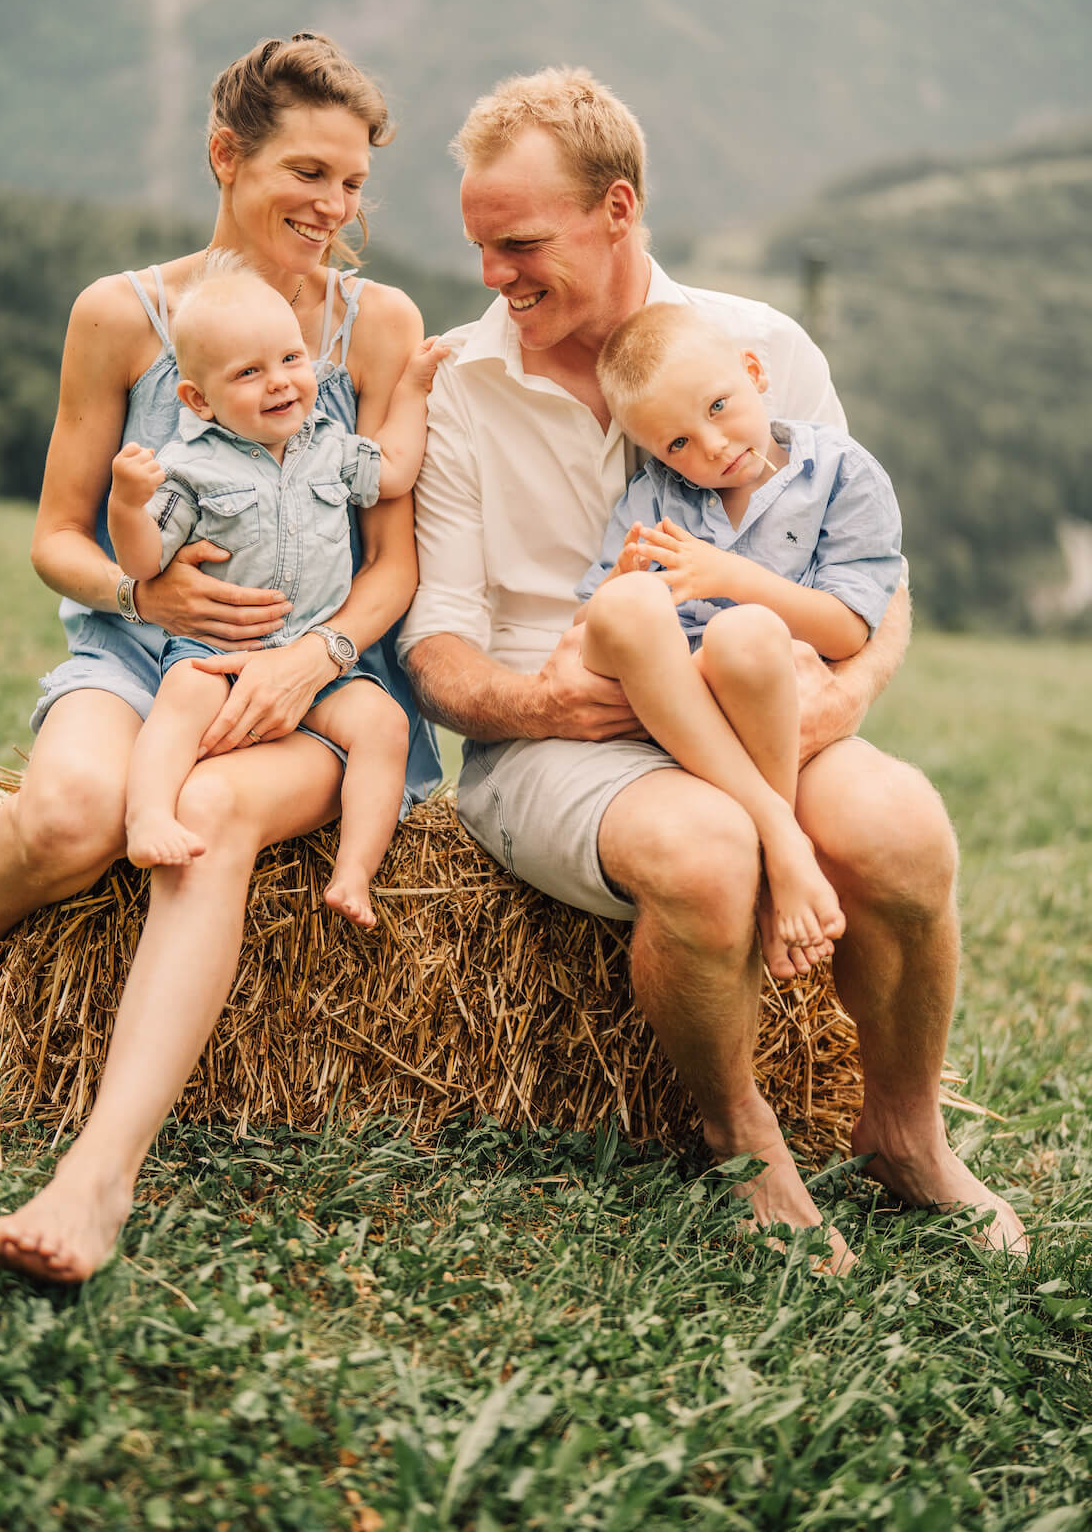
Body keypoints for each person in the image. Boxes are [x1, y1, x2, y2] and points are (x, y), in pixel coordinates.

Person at [400, 65, 1027, 1272]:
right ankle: (747, 1143)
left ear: (618, 208)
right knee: (705, 852)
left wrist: (846, 695)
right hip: (563, 740)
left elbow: (869, 570)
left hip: (757, 697)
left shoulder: (763, 348)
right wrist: (539, 702)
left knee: (902, 829)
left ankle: (904, 1132)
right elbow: (436, 645)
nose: (493, 276)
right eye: (478, 246)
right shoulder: (462, 387)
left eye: (521, 243)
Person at [0, 32, 441, 1282]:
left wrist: (321, 656)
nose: (335, 207)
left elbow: (393, 561)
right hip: (141, 653)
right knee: (80, 808)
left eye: (355, 183)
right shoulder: (122, 314)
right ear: (224, 155)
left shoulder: (377, 322)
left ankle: (97, 1180)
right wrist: (143, 586)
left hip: (324, 684)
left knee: (201, 808)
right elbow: (54, 538)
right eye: (309, 171)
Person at [109, 253, 446, 924]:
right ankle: (146, 818)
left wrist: (409, 388)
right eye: (249, 372)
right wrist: (127, 504)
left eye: (292, 360)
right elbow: (145, 561)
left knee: (382, 723)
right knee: (180, 697)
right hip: (221, 656)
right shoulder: (189, 468)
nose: (280, 383)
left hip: (314, 661)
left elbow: (398, 471)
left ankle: (355, 871)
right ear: (198, 399)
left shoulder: (333, 446)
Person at [574, 299, 902, 981]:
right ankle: (785, 844)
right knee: (626, 601)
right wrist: (628, 579)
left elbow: (848, 628)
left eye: (719, 408)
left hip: (758, 697)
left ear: (754, 373)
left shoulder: (842, 473)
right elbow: (594, 627)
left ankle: (769, 844)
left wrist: (735, 577)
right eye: (677, 444)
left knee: (746, 630)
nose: (712, 446)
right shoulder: (654, 497)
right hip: (666, 700)